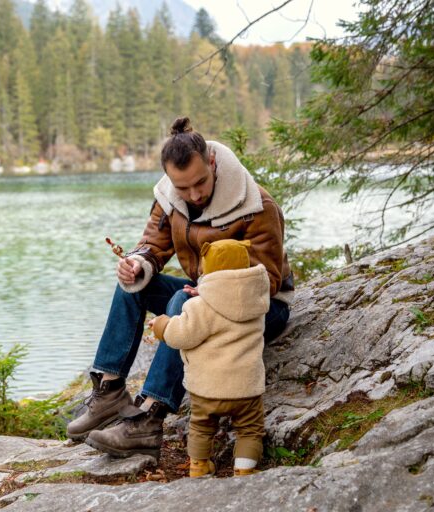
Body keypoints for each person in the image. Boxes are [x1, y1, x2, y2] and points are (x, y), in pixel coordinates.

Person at [67, 116, 294, 459]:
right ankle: (109, 391)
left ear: (212, 162)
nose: (193, 194)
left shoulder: (256, 206)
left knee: (181, 302)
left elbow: (269, 279)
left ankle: (149, 417)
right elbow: (153, 247)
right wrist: (137, 265)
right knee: (133, 287)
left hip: (264, 308)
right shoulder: (170, 197)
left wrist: (209, 291)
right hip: (203, 294)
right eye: (183, 187)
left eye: (200, 183)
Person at [149, 239, 269, 478]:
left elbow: (182, 334)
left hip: (207, 388)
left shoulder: (199, 306)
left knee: (201, 427)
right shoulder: (257, 303)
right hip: (247, 388)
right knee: (250, 430)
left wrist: (161, 325)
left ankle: (199, 466)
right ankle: (245, 468)